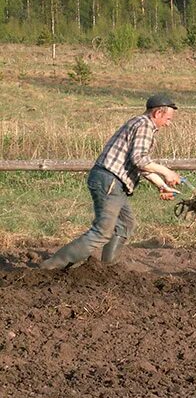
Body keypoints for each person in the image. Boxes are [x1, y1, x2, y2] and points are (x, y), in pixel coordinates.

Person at [41, 94, 182, 270]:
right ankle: (51, 267)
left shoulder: (139, 123)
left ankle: (108, 267)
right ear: (157, 113)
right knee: (102, 231)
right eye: (168, 119)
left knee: (125, 223)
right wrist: (167, 172)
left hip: (113, 181)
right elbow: (139, 159)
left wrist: (161, 185)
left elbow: (139, 165)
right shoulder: (145, 125)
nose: (169, 123)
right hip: (110, 180)